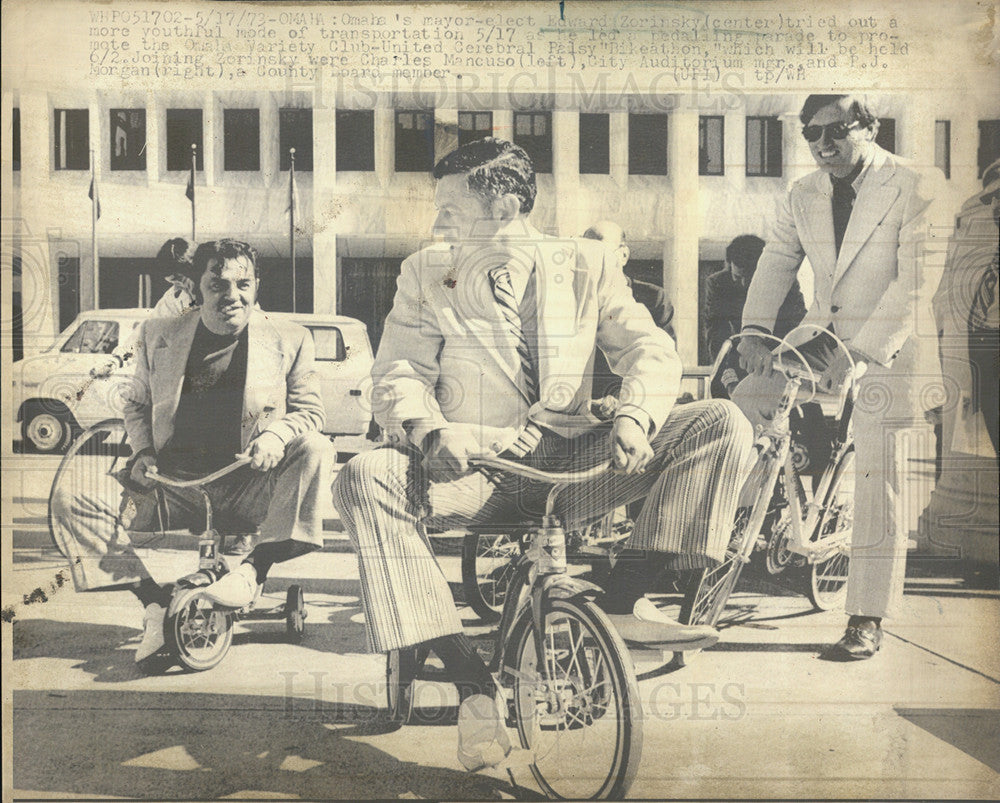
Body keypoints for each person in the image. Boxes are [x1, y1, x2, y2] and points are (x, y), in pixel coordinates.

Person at [332, 139, 754, 770]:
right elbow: (397, 370)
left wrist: (636, 417)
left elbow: (649, 350)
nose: (436, 223)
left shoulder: (587, 263)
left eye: (449, 207)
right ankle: (472, 683)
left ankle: (624, 596)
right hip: (474, 471)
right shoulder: (426, 271)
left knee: (718, 420)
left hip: (574, 469)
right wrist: (427, 430)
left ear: (504, 202)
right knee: (365, 476)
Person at [50, 239, 336, 670]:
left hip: (249, 484)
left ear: (257, 285)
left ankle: (252, 572)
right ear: (199, 289)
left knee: (316, 447)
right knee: (71, 501)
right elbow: (136, 403)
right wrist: (143, 451)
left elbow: (311, 413)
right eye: (218, 285)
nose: (232, 296)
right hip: (172, 487)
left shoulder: (290, 339)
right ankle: (154, 603)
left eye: (243, 283)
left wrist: (277, 435)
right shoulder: (158, 333)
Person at [733, 95, 945, 661]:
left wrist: (864, 352)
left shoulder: (916, 185)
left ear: (869, 127)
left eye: (836, 131)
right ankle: (724, 543)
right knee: (741, 402)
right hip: (820, 338)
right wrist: (754, 327)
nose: (823, 145)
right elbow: (778, 257)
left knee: (879, 473)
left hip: (891, 348)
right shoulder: (804, 193)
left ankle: (866, 616)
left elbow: (914, 284)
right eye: (811, 135)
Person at [582, 221, 676, 402]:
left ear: (623, 254)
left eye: (600, 250)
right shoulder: (571, 300)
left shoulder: (654, 297)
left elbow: (662, 362)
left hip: (632, 404)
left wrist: (625, 398)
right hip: (582, 407)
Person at [704, 234, 806, 363]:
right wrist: (725, 367)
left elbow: (797, 323)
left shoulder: (783, 282)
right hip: (738, 353)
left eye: (749, 279)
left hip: (777, 351)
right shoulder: (718, 283)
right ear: (729, 265)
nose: (744, 284)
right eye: (737, 277)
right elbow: (716, 331)